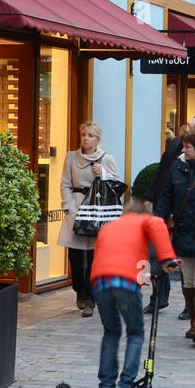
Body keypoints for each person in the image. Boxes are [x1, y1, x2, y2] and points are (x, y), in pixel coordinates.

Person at [89, 197, 179, 388]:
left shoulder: (109, 226)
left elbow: (111, 259)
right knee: (135, 333)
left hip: (101, 282)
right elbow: (157, 223)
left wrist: (145, 277)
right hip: (125, 283)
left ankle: (105, 386)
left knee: (111, 332)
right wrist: (168, 259)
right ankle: (125, 386)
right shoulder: (144, 221)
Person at [155, 127, 195, 343]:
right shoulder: (177, 167)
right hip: (184, 231)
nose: (183, 150)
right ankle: (194, 322)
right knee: (189, 280)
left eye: (187, 146)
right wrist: (157, 221)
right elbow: (166, 195)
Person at [60, 122, 121, 317]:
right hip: (77, 208)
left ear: (98, 139)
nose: (85, 138)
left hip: (97, 210)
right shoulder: (71, 157)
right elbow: (65, 184)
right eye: (83, 134)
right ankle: (79, 289)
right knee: (75, 256)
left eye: (90, 135)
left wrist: (102, 173)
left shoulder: (106, 159)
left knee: (95, 258)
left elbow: (117, 185)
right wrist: (68, 206)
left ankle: (90, 299)